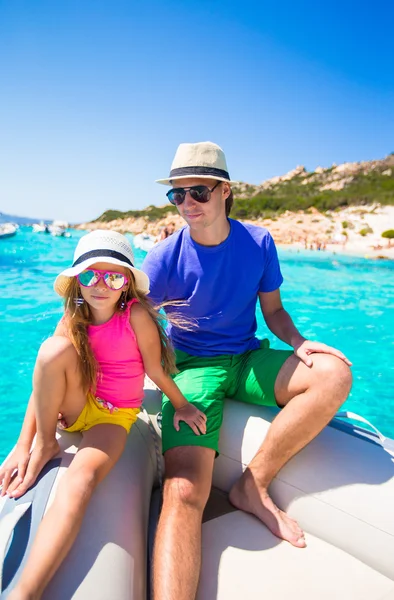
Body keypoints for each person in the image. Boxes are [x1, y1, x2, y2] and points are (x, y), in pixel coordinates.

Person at [141, 141, 353, 600]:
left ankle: (252, 485)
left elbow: (273, 312)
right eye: (176, 196)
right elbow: (130, 320)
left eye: (197, 192)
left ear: (224, 191)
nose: (186, 205)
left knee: (334, 373)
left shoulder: (258, 242)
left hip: (247, 359)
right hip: (193, 369)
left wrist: (299, 343)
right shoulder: (162, 259)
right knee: (182, 492)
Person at [0, 229, 206, 600]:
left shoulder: (137, 316)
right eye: (90, 274)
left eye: (113, 276)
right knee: (51, 351)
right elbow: (43, 383)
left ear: (126, 284)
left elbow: (156, 371)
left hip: (114, 417)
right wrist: (23, 444)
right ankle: (48, 445)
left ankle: (25, 592)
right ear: (77, 279)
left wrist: (182, 404)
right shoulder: (73, 316)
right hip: (77, 406)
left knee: (80, 480)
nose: (101, 285)